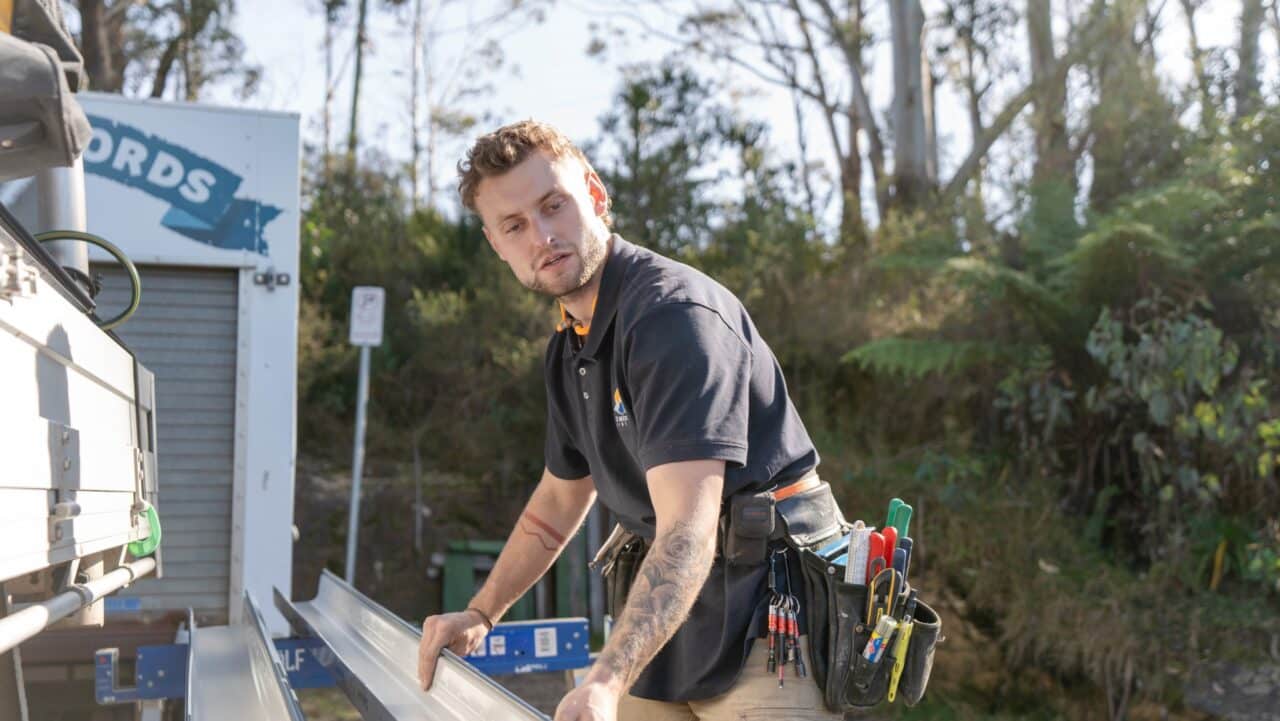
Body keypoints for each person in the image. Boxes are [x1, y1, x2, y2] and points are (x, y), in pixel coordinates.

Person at [416, 120, 841, 721]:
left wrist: (606, 680)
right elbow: (558, 503)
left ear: (594, 193)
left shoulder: (672, 317)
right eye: (515, 225)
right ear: (496, 243)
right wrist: (481, 613)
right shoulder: (569, 348)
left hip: (767, 624)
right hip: (672, 626)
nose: (542, 235)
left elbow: (687, 529)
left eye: (553, 205)